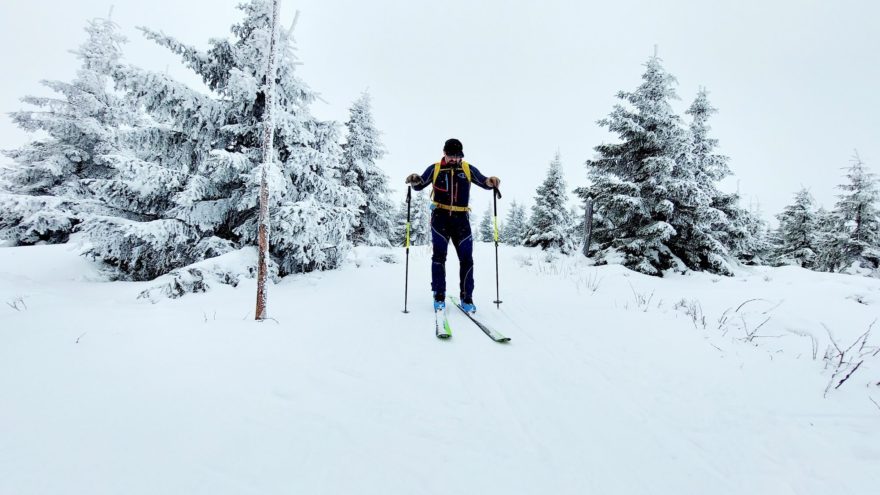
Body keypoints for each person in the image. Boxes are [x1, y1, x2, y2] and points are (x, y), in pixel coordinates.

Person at [405, 138, 500, 313]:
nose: (455, 159)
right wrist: (415, 179)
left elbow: (484, 181)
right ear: (444, 153)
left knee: (467, 260)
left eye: (458, 156)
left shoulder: (467, 169)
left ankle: (467, 298)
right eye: (451, 156)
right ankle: (439, 296)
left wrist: (491, 181)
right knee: (439, 258)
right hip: (440, 218)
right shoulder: (435, 168)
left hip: (461, 219)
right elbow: (419, 185)